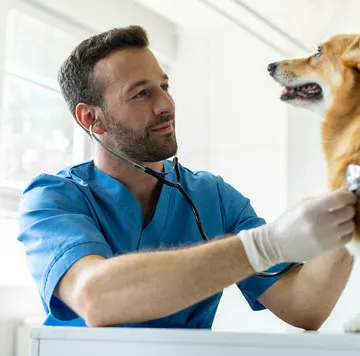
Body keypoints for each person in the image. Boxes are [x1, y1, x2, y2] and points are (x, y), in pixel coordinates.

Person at [18, 25, 356, 329]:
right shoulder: (52, 198)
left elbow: (304, 306)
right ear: (92, 119)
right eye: (141, 93)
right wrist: (262, 245)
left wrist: (350, 198)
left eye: (164, 86)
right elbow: (96, 298)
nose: (166, 104)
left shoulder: (214, 197)